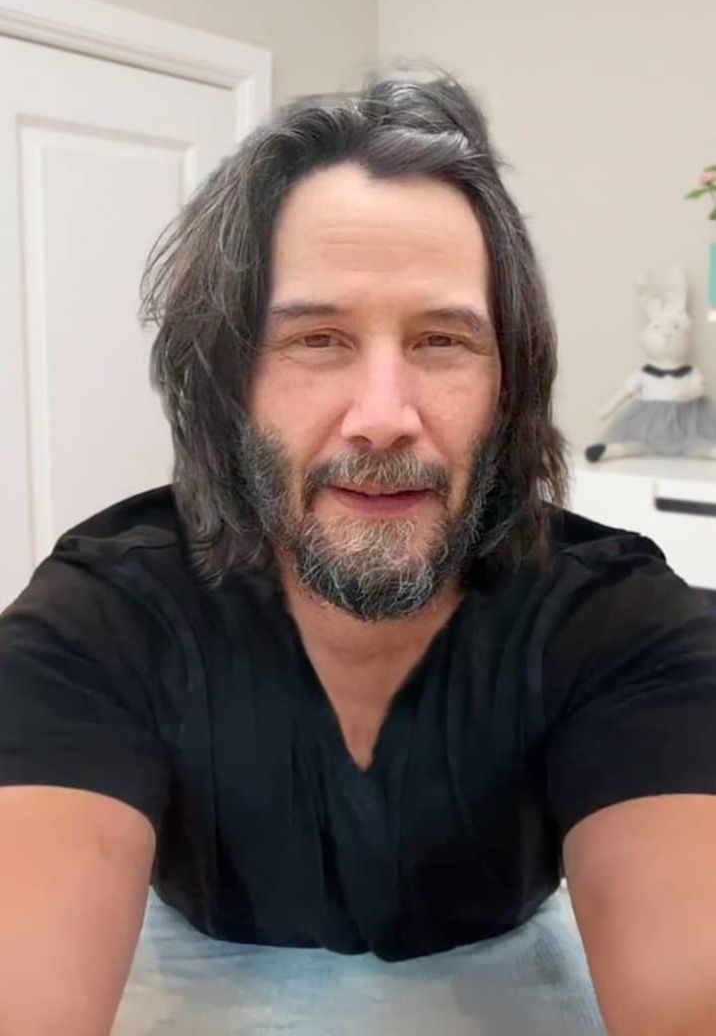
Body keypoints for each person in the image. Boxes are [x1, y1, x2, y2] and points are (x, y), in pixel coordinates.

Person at [1, 70, 715, 1036]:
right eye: (318, 339)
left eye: (442, 341)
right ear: (226, 385)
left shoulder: (621, 626)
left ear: (510, 386)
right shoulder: (100, 622)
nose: (384, 418)